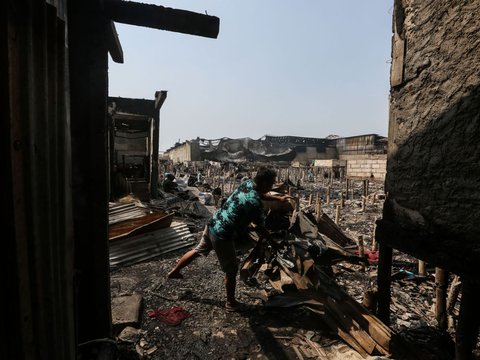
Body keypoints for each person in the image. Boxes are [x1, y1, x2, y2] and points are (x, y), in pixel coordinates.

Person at [167, 166, 292, 312]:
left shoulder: (248, 184)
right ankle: (230, 303)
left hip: (214, 222)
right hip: (223, 234)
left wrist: (278, 198)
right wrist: (274, 243)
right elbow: (261, 228)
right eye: (271, 184)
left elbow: (260, 194)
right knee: (231, 270)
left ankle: (174, 271)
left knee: (198, 250)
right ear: (264, 183)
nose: (272, 187)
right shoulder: (254, 203)